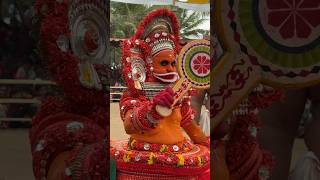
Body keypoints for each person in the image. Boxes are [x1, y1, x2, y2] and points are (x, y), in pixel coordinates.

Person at [110, 9, 210, 179]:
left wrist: (205, 141)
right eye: (164, 63)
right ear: (147, 64)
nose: (171, 68)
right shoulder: (135, 93)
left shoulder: (179, 95)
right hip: (143, 159)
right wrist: (153, 110)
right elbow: (129, 124)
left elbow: (189, 124)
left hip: (178, 158)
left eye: (173, 63)